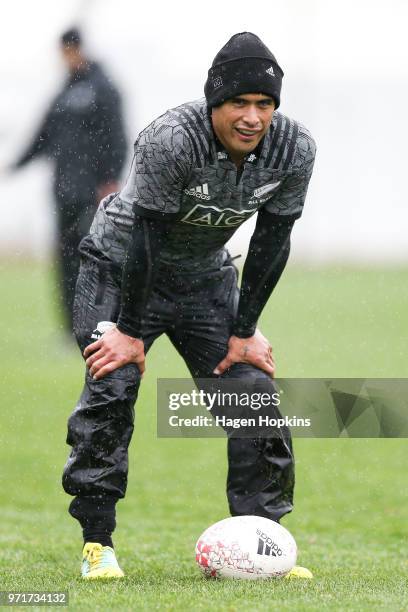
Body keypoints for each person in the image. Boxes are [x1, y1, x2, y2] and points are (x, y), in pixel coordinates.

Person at [62, 32, 316, 580]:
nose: (252, 118)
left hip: (204, 280)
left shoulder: (293, 148)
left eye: (265, 105)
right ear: (213, 103)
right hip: (121, 270)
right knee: (113, 386)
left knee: (254, 394)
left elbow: (274, 238)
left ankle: (263, 541)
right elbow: (144, 239)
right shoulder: (172, 139)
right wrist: (128, 331)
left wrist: (245, 329)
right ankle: (97, 543)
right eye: (239, 104)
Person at [11, 28, 127, 334]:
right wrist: (13, 166)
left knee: (94, 259)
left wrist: (111, 179)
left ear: (79, 49)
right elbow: (42, 137)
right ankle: (70, 327)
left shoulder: (104, 88)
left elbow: (117, 136)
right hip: (62, 192)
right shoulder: (62, 92)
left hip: (93, 192)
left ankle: (100, 324)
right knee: (65, 261)